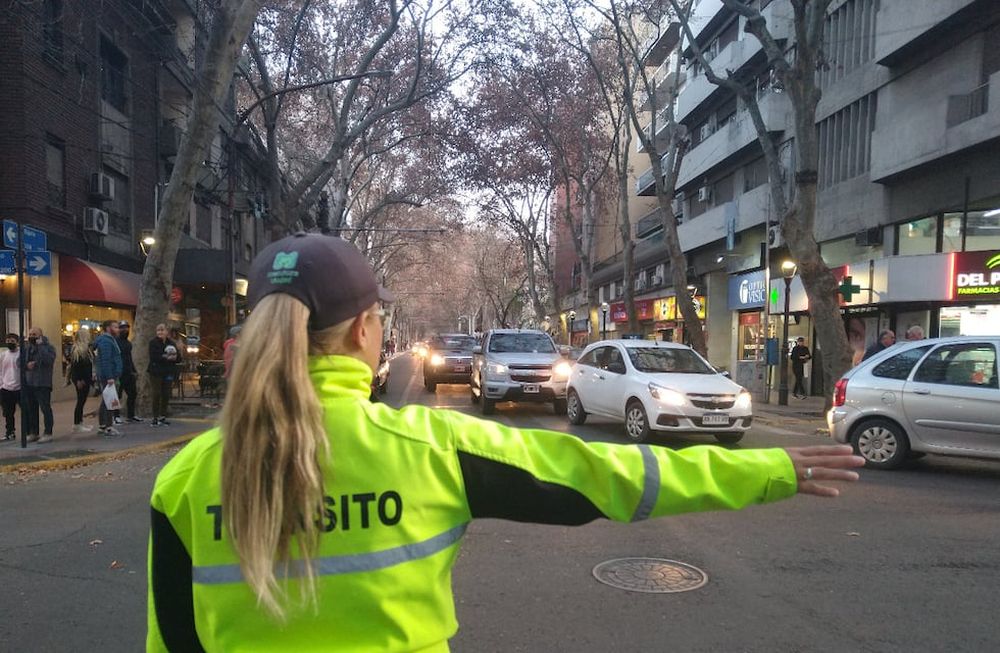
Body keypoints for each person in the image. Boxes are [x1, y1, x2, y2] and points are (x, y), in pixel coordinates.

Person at [146, 233, 863, 652]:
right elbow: (609, 475)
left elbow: (171, 642)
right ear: (368, 331)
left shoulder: (183, 480)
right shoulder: (430, 447)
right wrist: (767, 470)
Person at [21, 326, 56, 444]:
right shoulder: (27, 348)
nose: (32, 337)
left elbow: (48, 360)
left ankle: (48, 433)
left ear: (41, 335)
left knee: (45, 408)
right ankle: (33, 432)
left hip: (42, 383)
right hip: (29, 383)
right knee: (32, 409)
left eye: (34, 334)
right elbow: (18, 362)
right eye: (30, 334)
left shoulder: (48, 348)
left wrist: (40, 346)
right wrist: (26, 365)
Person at [95, 320, 123, 437]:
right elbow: (106, 360)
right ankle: (108, 426)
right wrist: (110, 376)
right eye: (115, 327)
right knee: (110, 401)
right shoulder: (106, 342)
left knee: (106, 400)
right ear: (107, 328)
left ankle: (103, 425)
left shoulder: (110, 340)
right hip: (109, 376)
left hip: (110, 374)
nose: (118, 329)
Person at [148, 323, 180, 426]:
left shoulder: (171, 343)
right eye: (158, 330)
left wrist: (174, 358)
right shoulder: (153, 343)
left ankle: (163, 416)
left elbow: (178, 357)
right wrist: (166, 357)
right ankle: (155, 417)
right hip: (156, 372)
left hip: (168, 371)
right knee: (156, 394)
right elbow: (154, 357)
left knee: (166, 394)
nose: (160, 332)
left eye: (162, 330)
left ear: (167, 332)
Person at [67, 328, 95, 434]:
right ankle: (77, 424)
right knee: (80, 401)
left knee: (82, 401)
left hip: (85, 378)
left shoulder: (86, 349)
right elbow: (75, 367)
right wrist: (78, 379)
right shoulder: (78, 350)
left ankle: (79, 422)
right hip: (81, 379)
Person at [117, 321, 143, 423]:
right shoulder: (115, 342)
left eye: (127, 328)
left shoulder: (128, 343)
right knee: (117, 396)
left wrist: (134, 370)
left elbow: (129, 358)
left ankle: (131, 415)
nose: (125, 330)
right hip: (119, 373)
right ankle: (116, 416)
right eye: (122, 328)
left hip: (128, 373)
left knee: (132, 394)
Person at [0, 333, 20, 441]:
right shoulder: (3, 355)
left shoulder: (21, 354)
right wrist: (1, 385)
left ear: (17, 342)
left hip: (20, 388)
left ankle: (29, 432)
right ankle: (10, 432)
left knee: (26, 411)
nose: (10, 343)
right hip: (6, 388)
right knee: (8, 413)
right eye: (8, 341)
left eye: (12, 341)